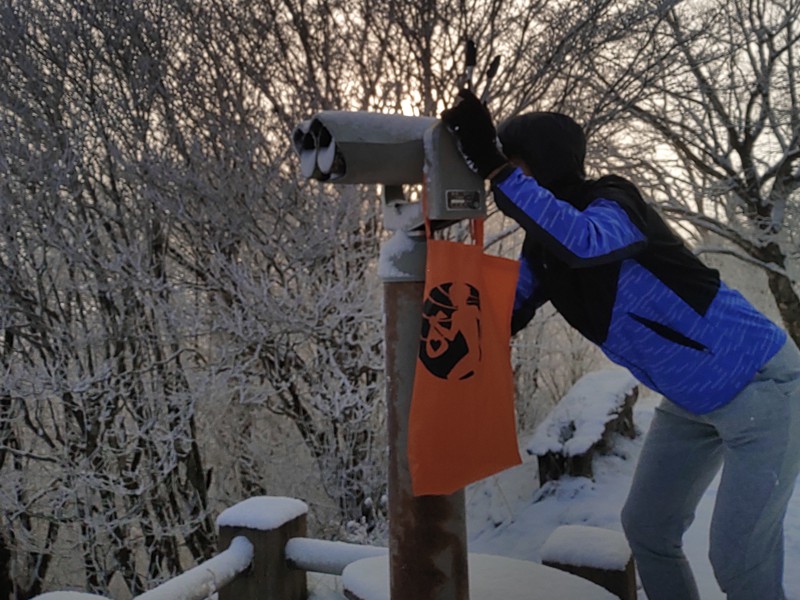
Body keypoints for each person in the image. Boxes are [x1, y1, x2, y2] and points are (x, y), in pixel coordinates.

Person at [440, 88, 800, 600]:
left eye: (516, 161)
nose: (509, 173)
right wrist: (432, 241)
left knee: (739, 560)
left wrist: (499, 173)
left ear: (542, 162)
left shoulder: (613, 200)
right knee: (649, 531)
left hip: (762, 388)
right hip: (691, 404)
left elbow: (589, 243)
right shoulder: (545, 247)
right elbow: (499, 311)